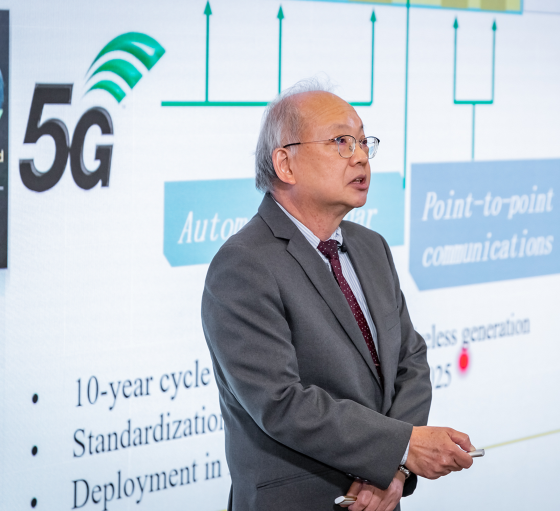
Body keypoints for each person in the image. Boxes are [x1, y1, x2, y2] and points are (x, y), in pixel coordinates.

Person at [201, 79, 475, 511]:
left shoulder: (371, 247)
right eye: (341, 142)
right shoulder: (243, 265)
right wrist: (402, 447)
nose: (361, 156)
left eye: (364, 142)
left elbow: (410, 359)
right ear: (285, 164)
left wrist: (395, 470)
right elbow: (281, 403)